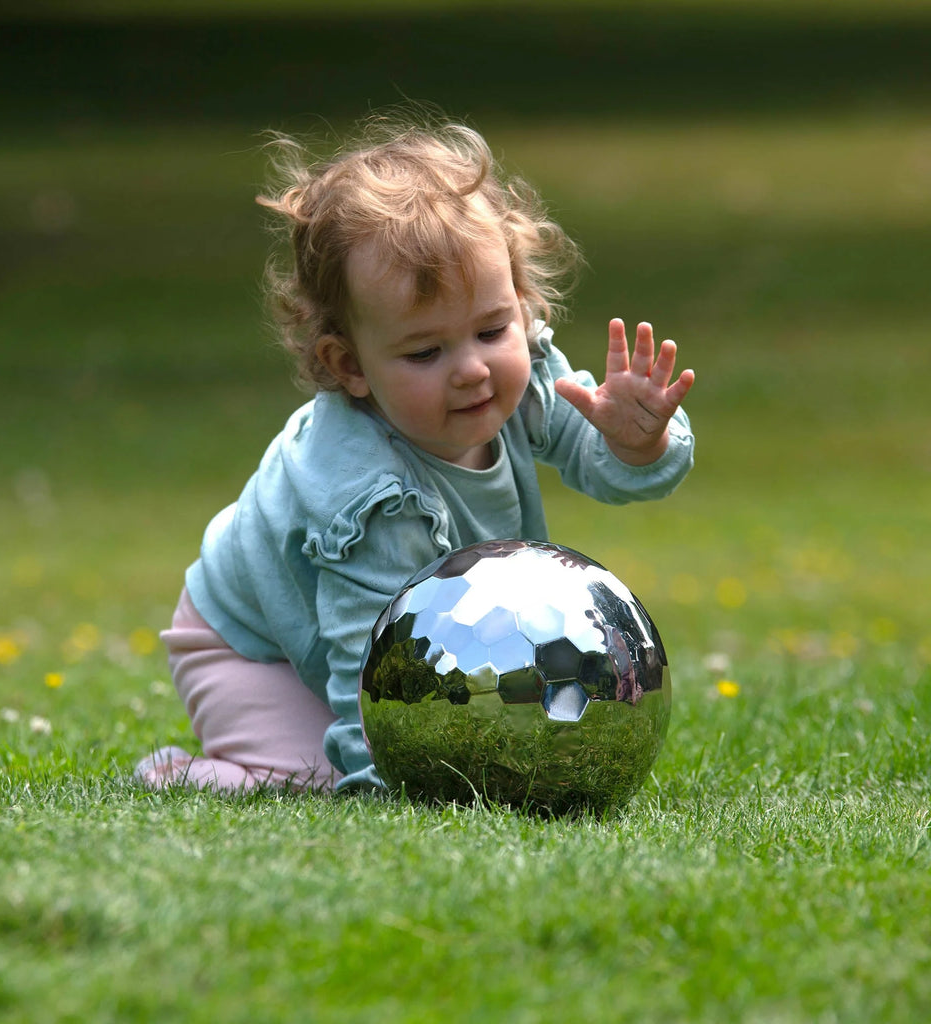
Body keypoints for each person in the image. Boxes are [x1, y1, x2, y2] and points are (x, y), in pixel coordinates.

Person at [135, 114, 695, 795]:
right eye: (426, 352)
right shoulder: (366, 495)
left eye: (492, 329)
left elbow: (610, 470)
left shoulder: (521, 378)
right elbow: (363, 659)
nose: (472, 370)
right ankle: (184, 775)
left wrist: (636, 441)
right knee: (309, 774)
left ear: (521, 307)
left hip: (332, 629)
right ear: (350, 366)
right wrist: (391, 784)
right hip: (251, 646)